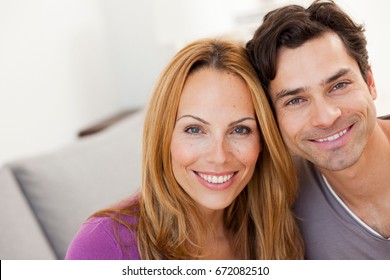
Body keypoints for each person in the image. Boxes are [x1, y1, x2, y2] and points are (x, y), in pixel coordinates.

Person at [65, 38, 304, 260]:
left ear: (262, 141)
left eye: (240, 130)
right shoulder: (104, 244)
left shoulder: (273, 228)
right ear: (163, 137)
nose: (219, 156)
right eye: (194, 130)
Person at [246, 0, 390, 259]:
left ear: (370, 82)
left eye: (339, 85)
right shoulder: (278, 202)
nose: (325, 117)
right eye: (295, 101)